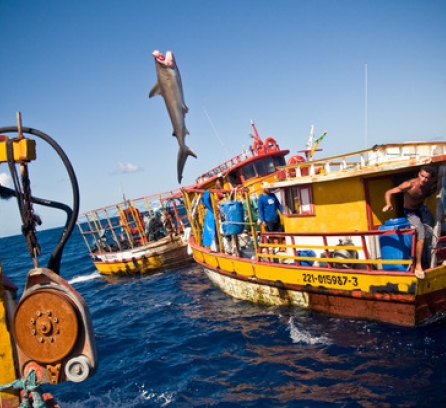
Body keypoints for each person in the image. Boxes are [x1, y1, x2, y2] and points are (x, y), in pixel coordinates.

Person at [383, 165, 437, 279]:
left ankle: (434, 257)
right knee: (421, 233)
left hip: (422, 208)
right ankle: (418, 265)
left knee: (434, 230)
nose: (423, 179)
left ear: (431, 178)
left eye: (427, 178)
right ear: (418, 174)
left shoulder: (432, 183)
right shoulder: (409, 185)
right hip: (411, 212)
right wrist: (388, 204)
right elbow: (389, 192)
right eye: (422, 176)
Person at [258, 182, 284, 254]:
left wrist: (283, 212)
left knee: (280, 232)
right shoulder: (261, 198)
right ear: (263, 189)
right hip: (268, 220)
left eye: (269, 187)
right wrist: (263, 220)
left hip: (276, 217)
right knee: (271, 234)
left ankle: (281, 246)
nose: (268, 189)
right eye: (267, 188)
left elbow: (278, 205)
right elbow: (260, 210)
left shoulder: (273, 195)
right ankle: (272, 247)